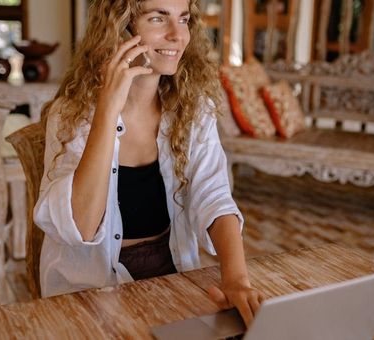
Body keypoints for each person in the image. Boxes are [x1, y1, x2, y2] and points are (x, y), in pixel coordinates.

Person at [34, 0, 262, 325]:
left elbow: (213, 195)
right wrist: (107, 110)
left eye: (182, 20)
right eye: (158, 18)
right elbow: (80, 226)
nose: (177, 35)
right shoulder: (71, 114)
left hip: (171, 272)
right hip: (91, 289)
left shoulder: (194, 107)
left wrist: (237, 279)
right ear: (119, 28)